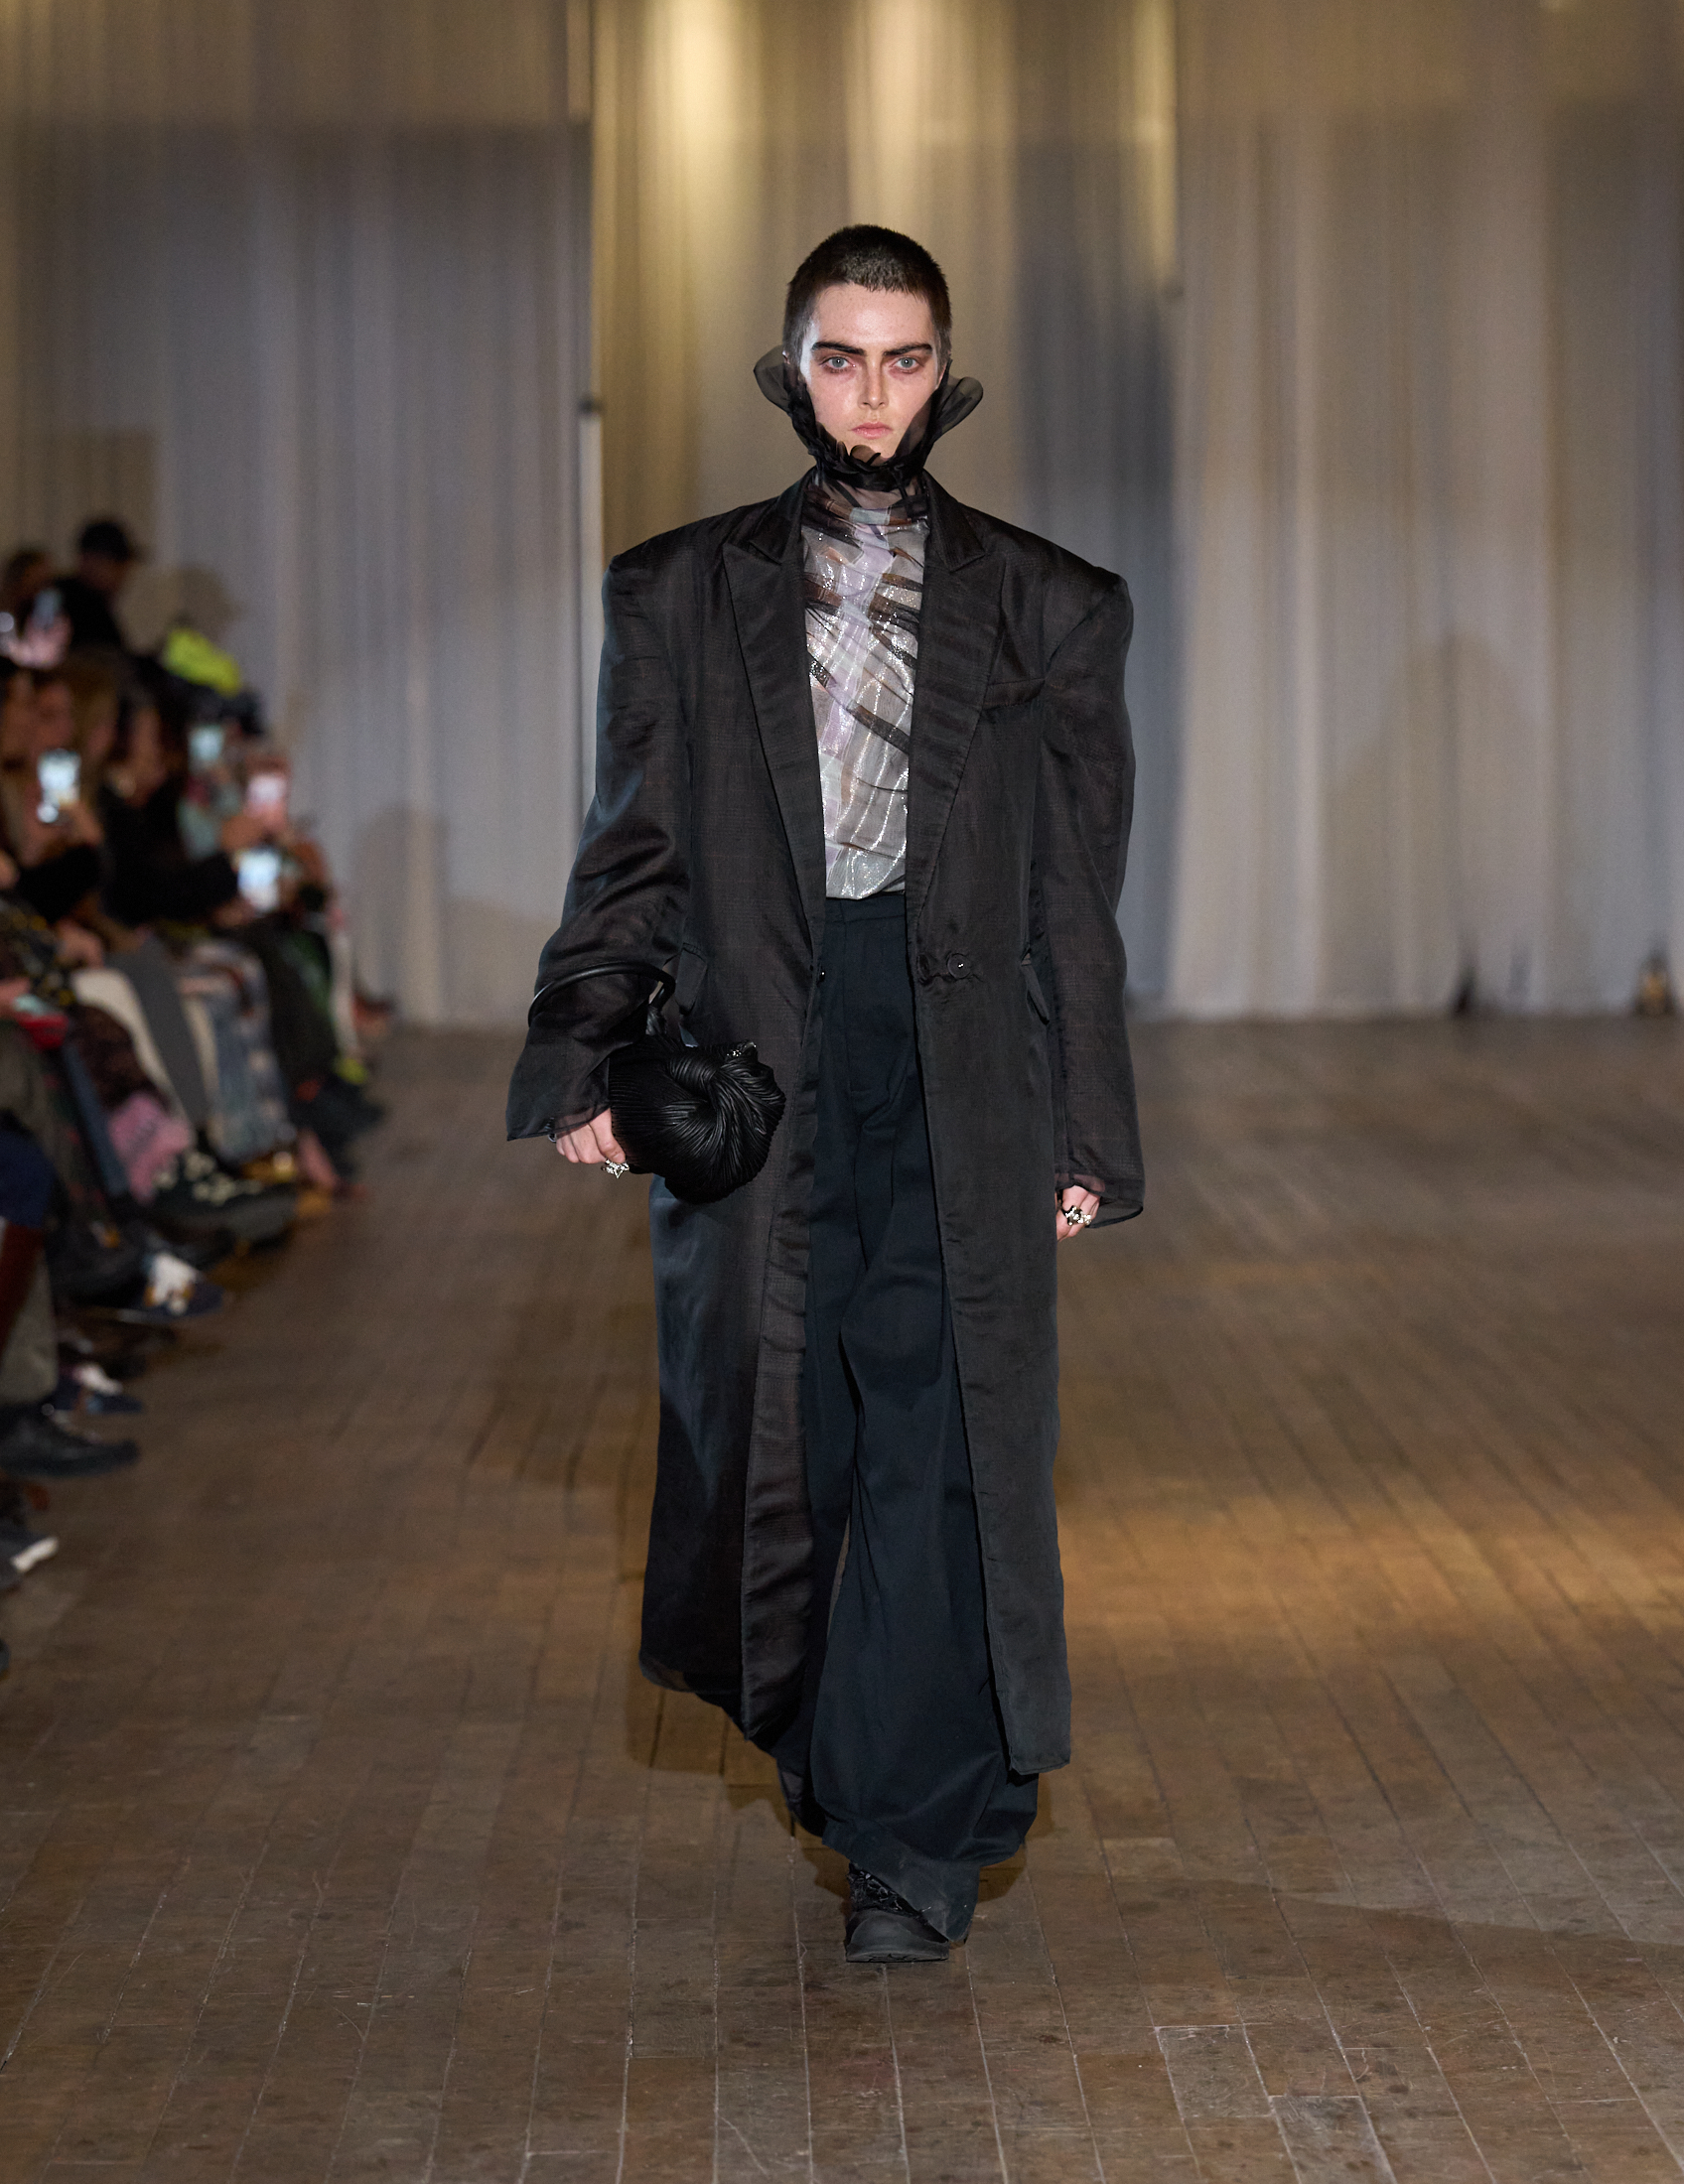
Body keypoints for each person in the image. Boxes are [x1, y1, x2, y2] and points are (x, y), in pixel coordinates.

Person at [508, 226, 1143, 1965]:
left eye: (904, 359)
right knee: (787, 1431)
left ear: (948, 374)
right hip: (760, 1053)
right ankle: (839, 1753)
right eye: (843, 359)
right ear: (792, 371)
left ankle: (911, 1844)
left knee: (944, 1437)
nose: (874, 394)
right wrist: (587, 1052)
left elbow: (1075, 891)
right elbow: (633, 840)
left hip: (969, 1066)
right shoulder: (676, 591)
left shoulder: (1054, 605)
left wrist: (1088, 1127)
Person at [57, 516, 141, 657]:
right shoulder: (77, 604)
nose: (122, 575)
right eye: (114, 564)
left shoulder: (91, 603)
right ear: (88, 559)